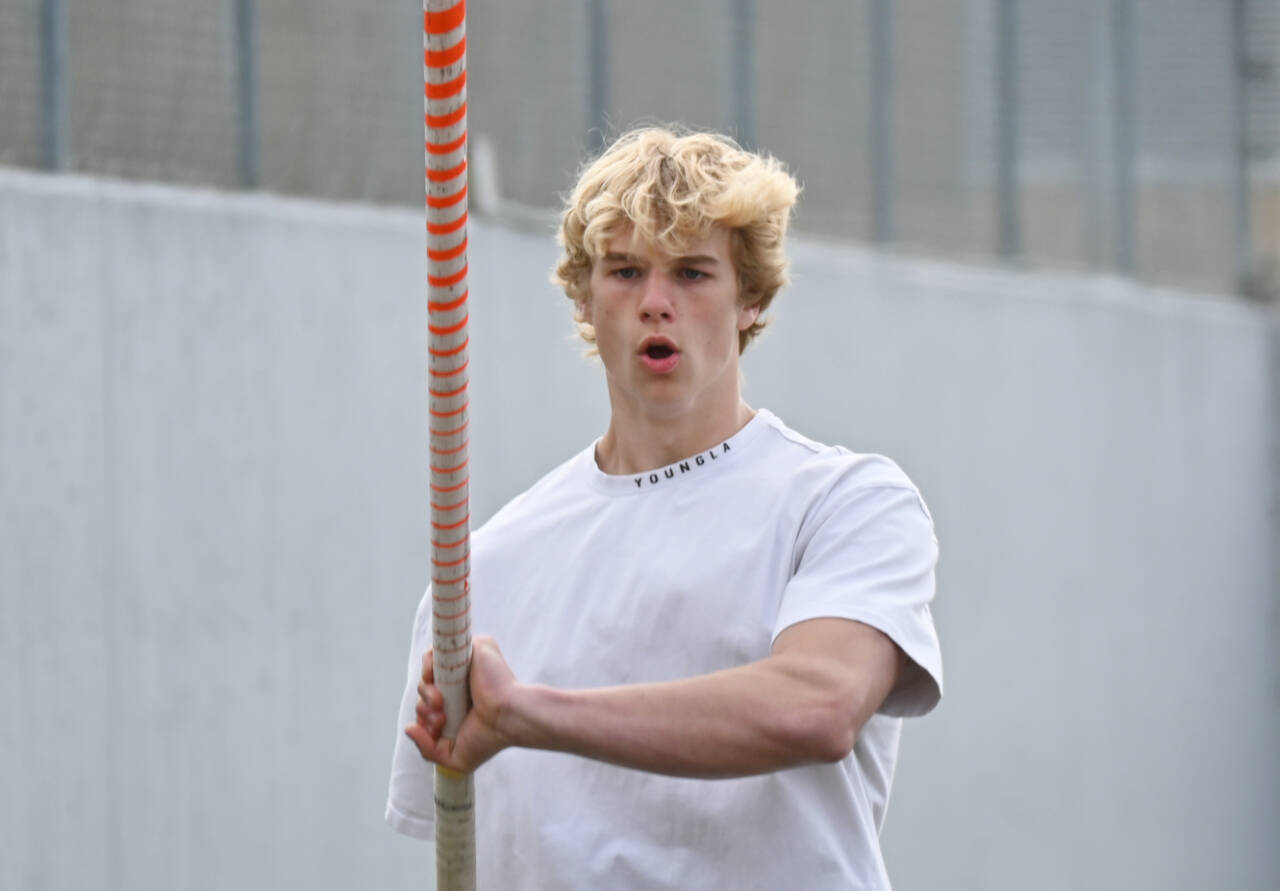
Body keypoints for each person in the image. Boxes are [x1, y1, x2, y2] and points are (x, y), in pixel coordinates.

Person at [386, 126, 942, 889]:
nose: (655, 302)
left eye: (691, 272)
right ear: (583, 299)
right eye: (624, 271)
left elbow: (818, 708)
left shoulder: (845, 504)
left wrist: (528, 713)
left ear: (750, 298)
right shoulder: (483, 569)